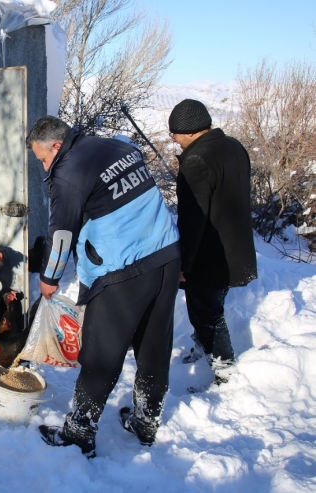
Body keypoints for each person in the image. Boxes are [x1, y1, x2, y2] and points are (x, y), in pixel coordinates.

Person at [27, 116, 181, 457]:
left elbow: (62, 236)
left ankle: (80, 431)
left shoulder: (68, 173)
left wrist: (49, 280)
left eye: (42, 158)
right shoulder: (115, 145)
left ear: (56, 145)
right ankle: (146, 420)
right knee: (154, 345)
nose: (43, 165)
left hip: (124, 271)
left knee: (101, 353)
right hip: (167, 257)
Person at [169, 99, 257, 386]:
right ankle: (203, 347)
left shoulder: (196, 161)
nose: (173, 139)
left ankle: (225, 372)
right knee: (212, 306)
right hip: (235, 248)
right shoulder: (233, 146)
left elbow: (192, 221)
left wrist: (185, 263)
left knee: (207, 314)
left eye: (175, 133)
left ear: (190, 131)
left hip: (209, 256)